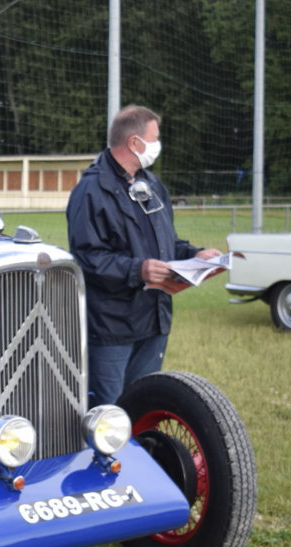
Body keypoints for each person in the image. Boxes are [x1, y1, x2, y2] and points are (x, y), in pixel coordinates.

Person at [65, 105, 222, 407]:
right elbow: (87, 259)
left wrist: (196, 255)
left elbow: (165, 243)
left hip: (154, 319)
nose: (158, 145)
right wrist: (139, 270)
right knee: (110, 412)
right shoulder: (91, 191)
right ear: (135, 143)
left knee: (144, 404)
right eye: (155, 138)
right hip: (112, 327)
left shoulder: (151, 185)